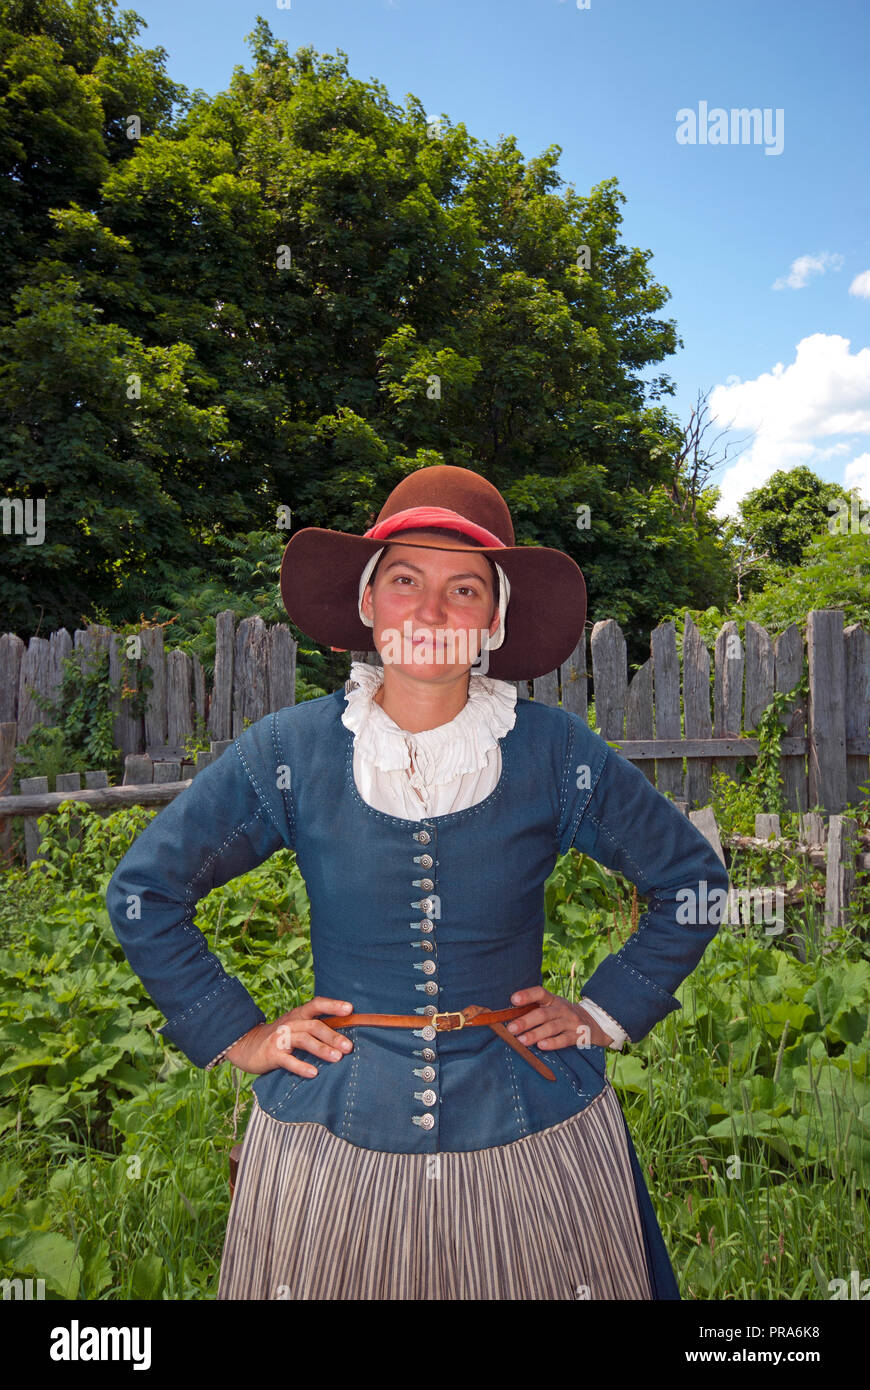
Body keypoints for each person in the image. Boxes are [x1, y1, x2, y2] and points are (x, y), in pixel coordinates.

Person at [105, 464, 730, 1300]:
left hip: (532, 1124)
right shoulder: (288, 752)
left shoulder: (553, 751)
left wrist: (603, 1013)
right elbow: (147, 892)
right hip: (331, 1131)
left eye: (464, 589)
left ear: (495, 621)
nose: (431, 612)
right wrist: (241, 1034)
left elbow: (691, 879)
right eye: (405, 580)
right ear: (368, 604)